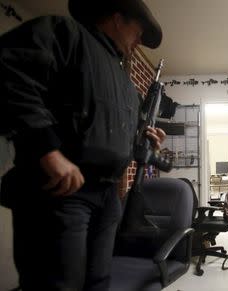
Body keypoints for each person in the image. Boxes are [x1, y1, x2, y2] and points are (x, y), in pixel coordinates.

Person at [0, 0, 166, 290]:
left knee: (98, 281)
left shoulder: (125, 83)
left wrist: (146, 139)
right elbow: (9, 72)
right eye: (138, 32)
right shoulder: (65, 33)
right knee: (57, 284)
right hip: (63, 191)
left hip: (107, 197)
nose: (139, 41)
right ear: (117, 18)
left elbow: (107, 131)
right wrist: (46, 149)